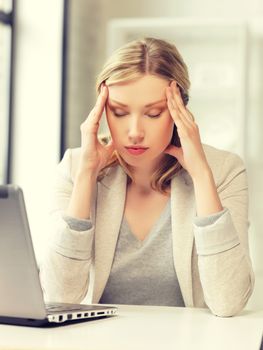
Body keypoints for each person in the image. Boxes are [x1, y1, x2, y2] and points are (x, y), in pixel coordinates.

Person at [40, 37, 254, 317]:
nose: (134, 131)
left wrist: (202, 175)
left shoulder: (224, 170)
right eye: (119, 112)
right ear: (102, 111)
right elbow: (59, 296)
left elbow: (229, 302)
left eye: (153, 114)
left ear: (181, 111)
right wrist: (85, 178)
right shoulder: (75, 167)